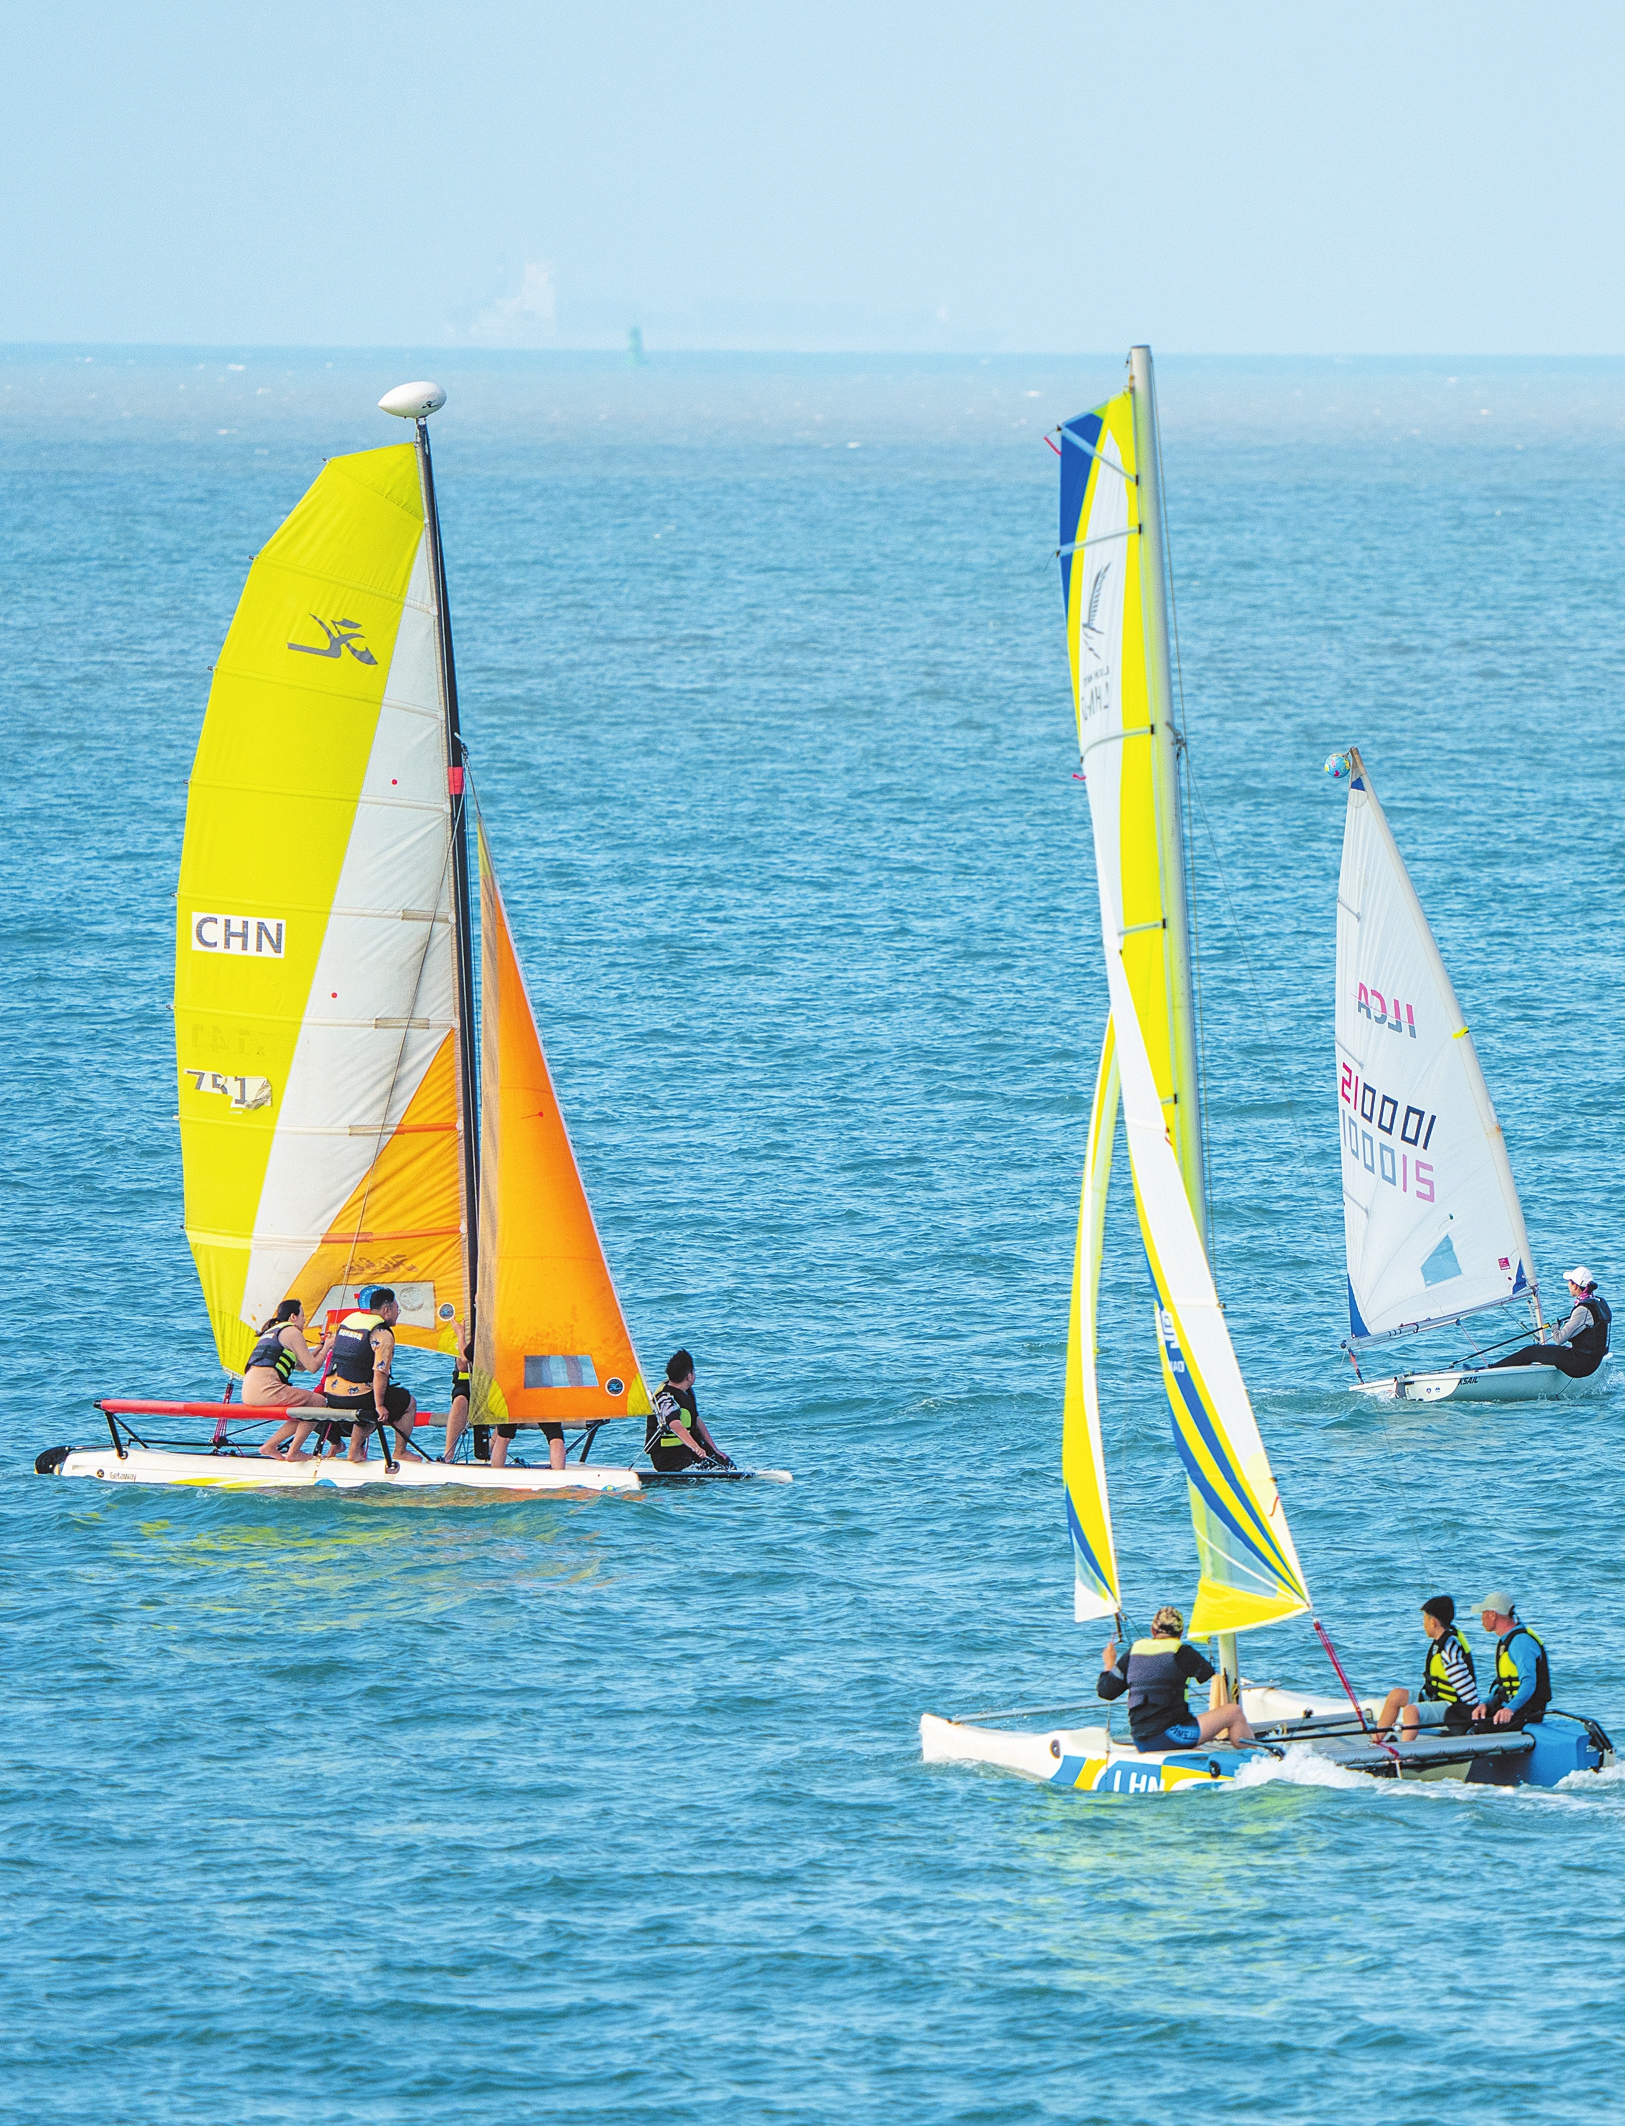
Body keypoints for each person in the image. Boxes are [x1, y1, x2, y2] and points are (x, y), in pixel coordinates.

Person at [1096, 1606, 1257, 1752]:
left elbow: (1106, 1691)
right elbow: (1206, 1673)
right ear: (1181, 1633)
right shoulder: (1182, 1652)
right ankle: (1256, 1758)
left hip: (1141, 1739)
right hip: (1171, 1736)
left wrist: (1109, 1663)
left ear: (1153, 1630)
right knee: (1233, 1713)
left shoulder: (1134, 1651)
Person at [312, 1288, 421, 1465]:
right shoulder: (383, 1334)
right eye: (397, 1309)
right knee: (407, 1402)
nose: (397, 1314)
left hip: (332, 1395)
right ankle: (397, 1451)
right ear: (387, 1310)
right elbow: (380, 1372)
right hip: (357, 1398)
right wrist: (380, 1405)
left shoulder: (349, 1321)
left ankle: (344, 1446)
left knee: (367, 1396)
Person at [1372, 1595, 1480, 1739]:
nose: (1423, 1624)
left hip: (1452, 1708)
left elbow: (1467, 1690)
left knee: (1411, 1711)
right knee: (1395, 1696)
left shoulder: (1449, 1649)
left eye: (1424, 1619)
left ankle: (1405, 1751)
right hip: (1435, 1697)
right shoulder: (1440, 1642)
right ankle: (1377, 1741)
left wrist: (1476, 1715)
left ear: (1433, 1622)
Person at [242, 1300, 334, 1458]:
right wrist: (327, 1348)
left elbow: (301, 1366)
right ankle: (293, 1452)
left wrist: (320, 1347)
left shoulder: (274, 1331)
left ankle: (270, 1446)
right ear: (293, 1317)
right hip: (266, 1389)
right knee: (318, 1402)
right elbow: (313, 1367)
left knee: (304, 1408)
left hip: (249, 1391)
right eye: (303, 1316)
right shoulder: (292, 1332)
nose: (304, 1321)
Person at [1490, 1267, 1611, 1378]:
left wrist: (1554, 1326)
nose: (1568, 1285)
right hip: (1594, 1361)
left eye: (1569, 1282)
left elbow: (1559, 1339)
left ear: (1575, 1286)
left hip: (1580, 1365)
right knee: (1547, 1351)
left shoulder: (1582, 1310)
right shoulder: (1598, 1303)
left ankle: (1493, 1370)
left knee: (1531, 1351)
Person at [1470, 1590, 1551, 1729]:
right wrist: (1485, 1704)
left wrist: (1510, 1709)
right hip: (1509, 1707)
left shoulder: (1521, 1642)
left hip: (1526, 1712)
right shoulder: (1506, 1641)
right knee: (1461, 1717)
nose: (1481, 1619)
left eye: (1483, 1614)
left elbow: (1529, 1682)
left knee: (1477, 1730)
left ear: (1493, 1615)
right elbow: (1502, 1686)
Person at [644, 1349, 733, 1472]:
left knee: (726, 1464)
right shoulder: (665, 1397)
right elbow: (675, 1425)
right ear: (689, 1376)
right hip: (667, 1456)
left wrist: (715, 1449)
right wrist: (696, 1448)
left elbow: (697, 1420)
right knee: (704, 1470)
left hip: (686, 1449)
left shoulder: (687, 1391)